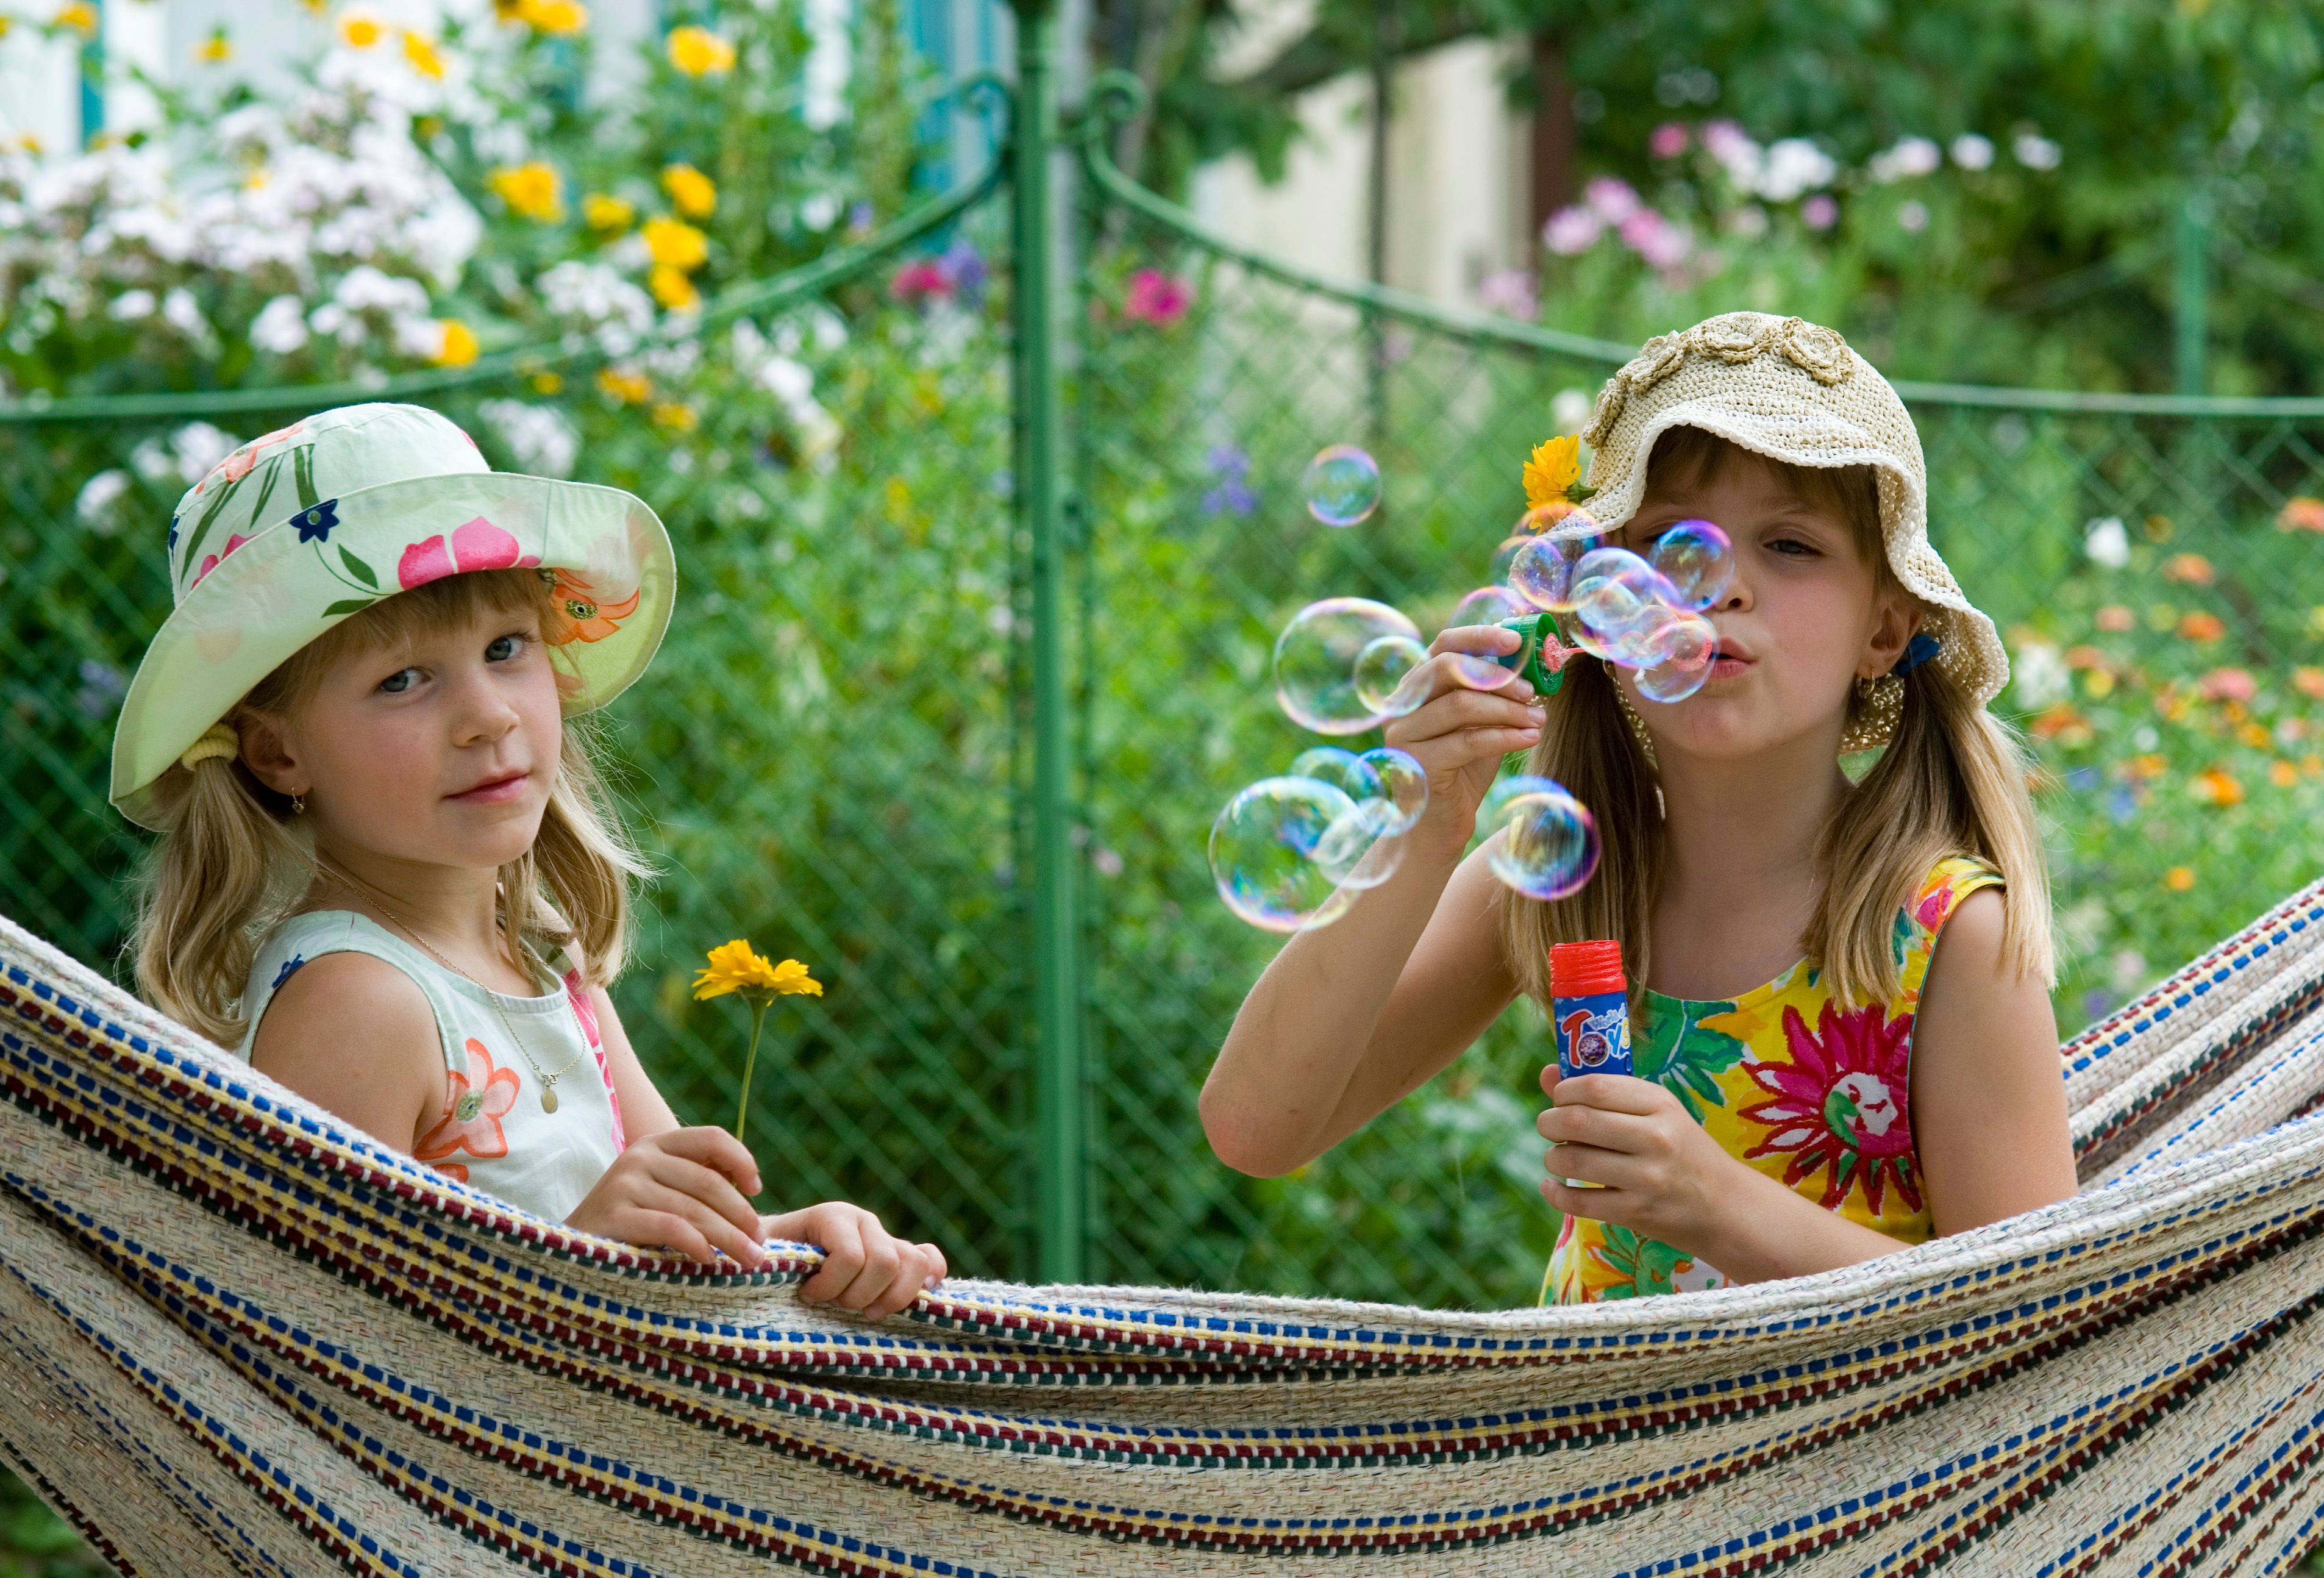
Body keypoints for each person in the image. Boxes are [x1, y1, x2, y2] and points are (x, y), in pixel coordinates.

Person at [1201, 312, 2077, 1301]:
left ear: (1885, 627)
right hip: (1599, 1451)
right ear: (1597, 607)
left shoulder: (1944, 937)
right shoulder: (1557, 874)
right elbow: (1255, 1127)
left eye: (1790, 545)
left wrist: (1715, 1204)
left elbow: (2028, 1320)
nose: (1724, 587)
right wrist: (1427, 820)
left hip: (1844, 1457)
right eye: (1668, 544)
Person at [113, 402, 946, 1316]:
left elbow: (691, 1241)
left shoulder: (545, 958)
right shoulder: (359, 1002)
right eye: (403, 680)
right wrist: (582, 1254)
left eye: (506, 649)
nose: (489, 715)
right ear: (277, 753)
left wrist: (798, 1240)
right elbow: (335, 1341)